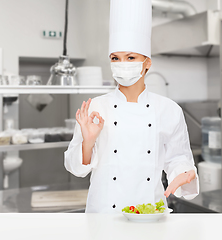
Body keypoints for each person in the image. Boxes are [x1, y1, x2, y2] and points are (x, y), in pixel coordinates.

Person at [64, 0, 199, 213]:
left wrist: (185, 172)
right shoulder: (96, 107)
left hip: (150, 212)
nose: (122, 64)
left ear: (147, 62)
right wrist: (88, 142)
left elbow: (178, 158)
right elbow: (75, 168)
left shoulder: (169, 109)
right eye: (116, 58)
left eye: (131, 57)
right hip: (104, 214)